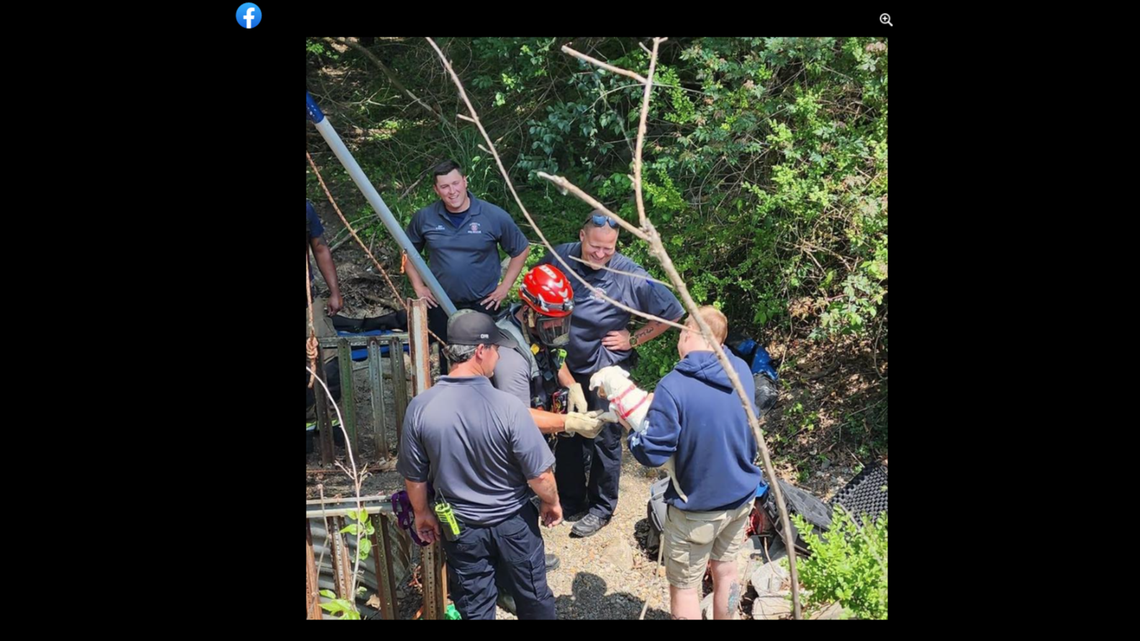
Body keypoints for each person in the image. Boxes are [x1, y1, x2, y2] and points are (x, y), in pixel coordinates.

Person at [396, 311, 560, 620]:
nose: (499, 356)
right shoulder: (508, 406)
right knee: (534, 598)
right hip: (514, 523)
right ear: (480, 351)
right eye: (496, 349)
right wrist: (551, 502)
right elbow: (540, 474)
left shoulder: (421, 407)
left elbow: (414, 476)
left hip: (461, 528)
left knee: (475, 605)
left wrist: (422, 513)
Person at [537, 211, 683, 537]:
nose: (601, 254)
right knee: (569, 429)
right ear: (582, 236)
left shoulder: (629, 274)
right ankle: (571, 498)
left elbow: (673, 312)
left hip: (606, 369)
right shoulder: (561, 256)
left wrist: (634, 338)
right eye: (595, 247)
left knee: (604, 437)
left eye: (609, 248)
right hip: (566, 363)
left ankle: (602, 507)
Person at [627, 306, 764, 620]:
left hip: (697, 509)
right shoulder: (740, 369)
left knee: (686, 588)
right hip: (741, 496)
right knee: (727, 570)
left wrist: (634, 433)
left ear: (688, 332)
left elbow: (653, 453)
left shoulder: (673, 386)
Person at [404, 159, 530, 370]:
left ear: (465, 181)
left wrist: (505, 287)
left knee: (484, 359)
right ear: (436, 190)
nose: (452, 191)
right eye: (445, 186)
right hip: (441, 303)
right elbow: (407, 252)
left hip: (483, 304)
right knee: (449, 359)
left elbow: (521, 249)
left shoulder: (492, 215)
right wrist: (418, 287)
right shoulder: (425, 217)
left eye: (455, 183)